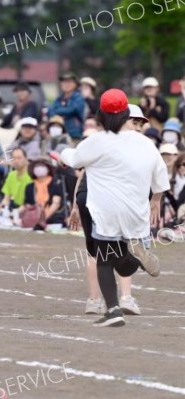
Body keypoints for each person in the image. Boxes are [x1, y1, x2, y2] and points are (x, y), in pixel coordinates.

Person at [61, 88, 169, 327]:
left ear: (101, 115)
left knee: (104, 259)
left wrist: (61, 153)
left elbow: (75, 160)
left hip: (106, 211)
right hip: (137, 211)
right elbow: (161, 177)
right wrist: (156, 201)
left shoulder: (98, 140)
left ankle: (112, 311)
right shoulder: (146, 143)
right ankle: (135, 254)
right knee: (123, 261)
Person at [23, 158, 65, 227]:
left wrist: (43, 218)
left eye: (42, 165)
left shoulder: (56, 184)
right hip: (34, 219)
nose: (39, 168)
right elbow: (27, 205)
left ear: (48, 168)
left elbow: (56, 204)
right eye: (37, 166)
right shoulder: (29, 187)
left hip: (53, 219)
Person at [48, 72, 86, 140]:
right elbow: (50, 110)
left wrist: (58, 111)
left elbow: (73, 110)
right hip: (59, 132)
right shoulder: (59, 98)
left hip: (74, 133)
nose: (66, 84)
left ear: (75, 84)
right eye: (64, 82)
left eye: (69, 82)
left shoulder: (79, 97)